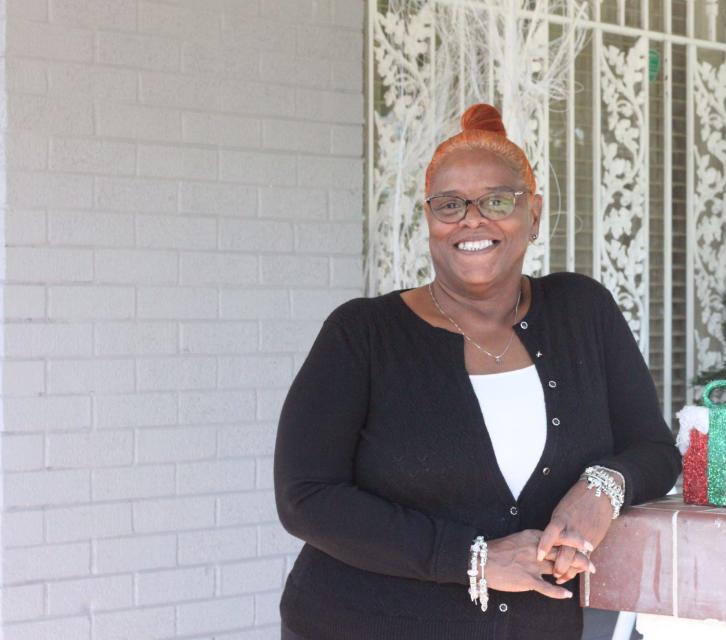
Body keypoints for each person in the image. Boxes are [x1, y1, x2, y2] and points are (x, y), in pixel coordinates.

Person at [274, 103, 681, 640]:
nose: (472, 219)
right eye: (450, 205)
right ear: (429, 221)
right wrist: (476, 559)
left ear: (533, 215)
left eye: (496, 200)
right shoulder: (362, 335)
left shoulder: (582, 311)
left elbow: (653, 449)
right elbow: (306, 496)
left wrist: (601, 488)